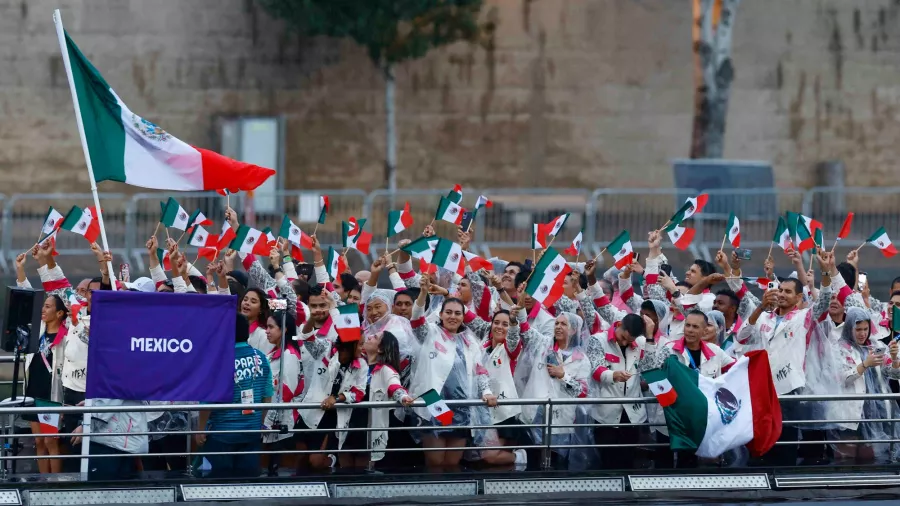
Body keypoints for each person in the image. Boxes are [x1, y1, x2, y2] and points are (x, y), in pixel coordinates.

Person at [409, 279, 495, 472]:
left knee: (452, 464)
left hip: (462, 406)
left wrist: (487, 392)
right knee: (436, 463)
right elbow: (416, 318)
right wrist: (423, 294)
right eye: (448, 312)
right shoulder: (429, 333)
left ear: (464, 317)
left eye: (458, 313)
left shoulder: (470, 342)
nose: (453, 317)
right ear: (440, 314)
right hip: (434, 401)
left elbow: (480, 371)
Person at [195, 314, 272, 478]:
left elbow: (208, 400)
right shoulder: (262, 358)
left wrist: (200, 429)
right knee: (247, 487)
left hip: (221, 436)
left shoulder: (219, 360)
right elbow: (267, 397)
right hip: (251, 434)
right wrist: (259, 422)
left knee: (220, 489)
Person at [518, 312, 592, 470]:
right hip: (534, 414)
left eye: (564, 324)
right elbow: (526, 330)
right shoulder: (544, 344)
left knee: (558, 465)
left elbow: (583, 391)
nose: (558, 327)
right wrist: (520, 311)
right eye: (557, 323)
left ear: (573, 330)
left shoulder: (582, 359)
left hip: (561, 421)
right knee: (533, 463)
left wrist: (563, 376)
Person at [831, 307, 900, 463]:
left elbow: (894, 374)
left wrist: (895, 358)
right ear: (849, 328)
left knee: (869, 459)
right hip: (851, 411)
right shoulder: (840, 348)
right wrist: (864, 365)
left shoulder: (877, 346)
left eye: (865, 329)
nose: (862, 333)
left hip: (876, 411)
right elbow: (843, 378)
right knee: (845, 459)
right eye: (858, 329)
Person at [294, 329, 366, 471]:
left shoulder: (361, 365)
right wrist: (312, 319)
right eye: (360, 344)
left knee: (316, 461)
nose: (362, 348)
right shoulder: (326, 350)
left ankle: (333, 460)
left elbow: (359, 393)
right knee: (301, 454)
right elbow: (307, 336)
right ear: (349, 345)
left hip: (332, 417)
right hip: (310, 412)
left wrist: (337, 398)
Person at [587, 313, 652, 470]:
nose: (624, 342)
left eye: (629, 341)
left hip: (633, 414)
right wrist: (613, 375)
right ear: (619, 326)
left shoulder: (641, 343)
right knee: (607, 459)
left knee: (629, 457)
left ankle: (627, 491)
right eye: (623, 337)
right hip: (606, 412)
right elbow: (596, 369)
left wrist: (649, 337)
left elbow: (650, 367)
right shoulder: (598, 340)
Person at [345, 331, 414, 470]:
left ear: (381, 348)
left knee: (360, 471)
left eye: (374, 337)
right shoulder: (357, 364)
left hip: (367, 428)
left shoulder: (386, 370)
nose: (369, 336)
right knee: (344, 468)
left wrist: (403, 396)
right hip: (347, 424)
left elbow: (394, 386)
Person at [23, 292, 68, 474]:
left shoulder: (65, 337)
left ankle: (55, 485)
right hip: (33, 391)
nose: (43, 309)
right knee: (39, 441)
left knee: (51, 440)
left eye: (48, 306)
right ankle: (43, 482)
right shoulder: (38, 332)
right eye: (44, 306)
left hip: (51, 395)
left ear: (59, 313)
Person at [262, 311, 302, 476]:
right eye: (266, 327)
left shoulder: (290, 356)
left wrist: (268, 420)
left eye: (271, 327)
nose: (267, 331)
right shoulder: (272, 354)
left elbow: (286, 392)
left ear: (284, 329)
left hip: (282, 423)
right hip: (269, 420)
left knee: (277, 472)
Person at [242, 288, 271, 354]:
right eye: (245, 299)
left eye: (253, 302)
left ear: (261, 309)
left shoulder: (264, 335)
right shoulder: (235, 329)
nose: (247, 303)